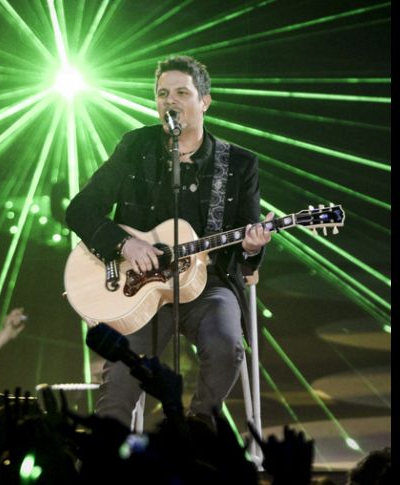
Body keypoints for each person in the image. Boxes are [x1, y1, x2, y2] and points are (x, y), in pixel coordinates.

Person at [65, 55, 273, 427]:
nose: (170, 101)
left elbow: (246, 246)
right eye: (163, 94)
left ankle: (196, 433)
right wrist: (125, 245)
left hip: (208, 288)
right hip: (140, 292)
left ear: (204, 101)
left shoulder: (239, 164)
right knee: (119, 385)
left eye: (181, 92)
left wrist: (253, 247)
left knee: (227, 347)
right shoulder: (135, 147)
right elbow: (80, 209)